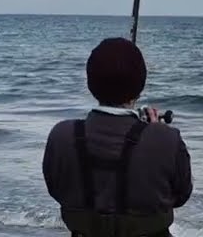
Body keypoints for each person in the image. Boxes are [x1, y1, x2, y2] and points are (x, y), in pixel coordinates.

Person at [43, 36, 192, 237]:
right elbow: (181, 195)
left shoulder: (61, 136)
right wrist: (155, 133)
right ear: (140, 85)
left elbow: (57, 190)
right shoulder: (167, 138)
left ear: (90, 83)